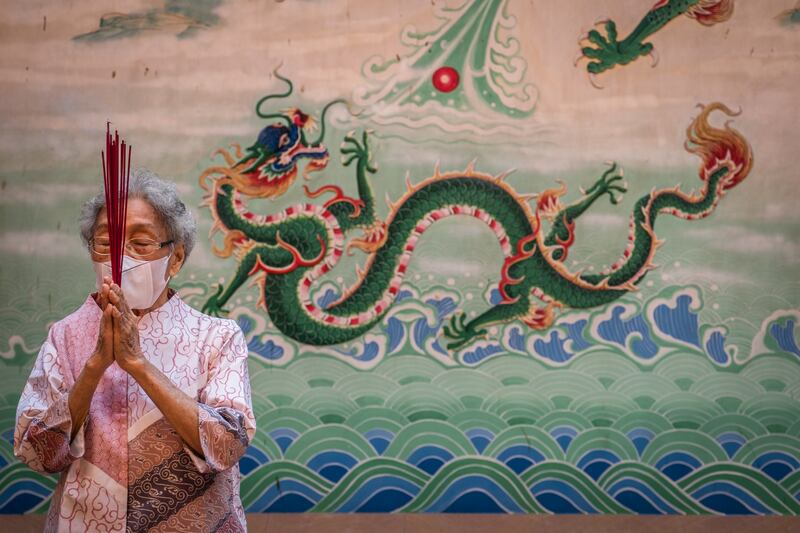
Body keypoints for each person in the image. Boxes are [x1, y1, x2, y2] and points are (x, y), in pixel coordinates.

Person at [14, 169, 256, 532]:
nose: (119, 258)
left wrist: (137, 364)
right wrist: (96, 365)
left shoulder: (217, 337)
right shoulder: (64, 337)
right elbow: (36, 453)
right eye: (105, 242)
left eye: (140, 244)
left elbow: (227, 445)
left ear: (175, 260)